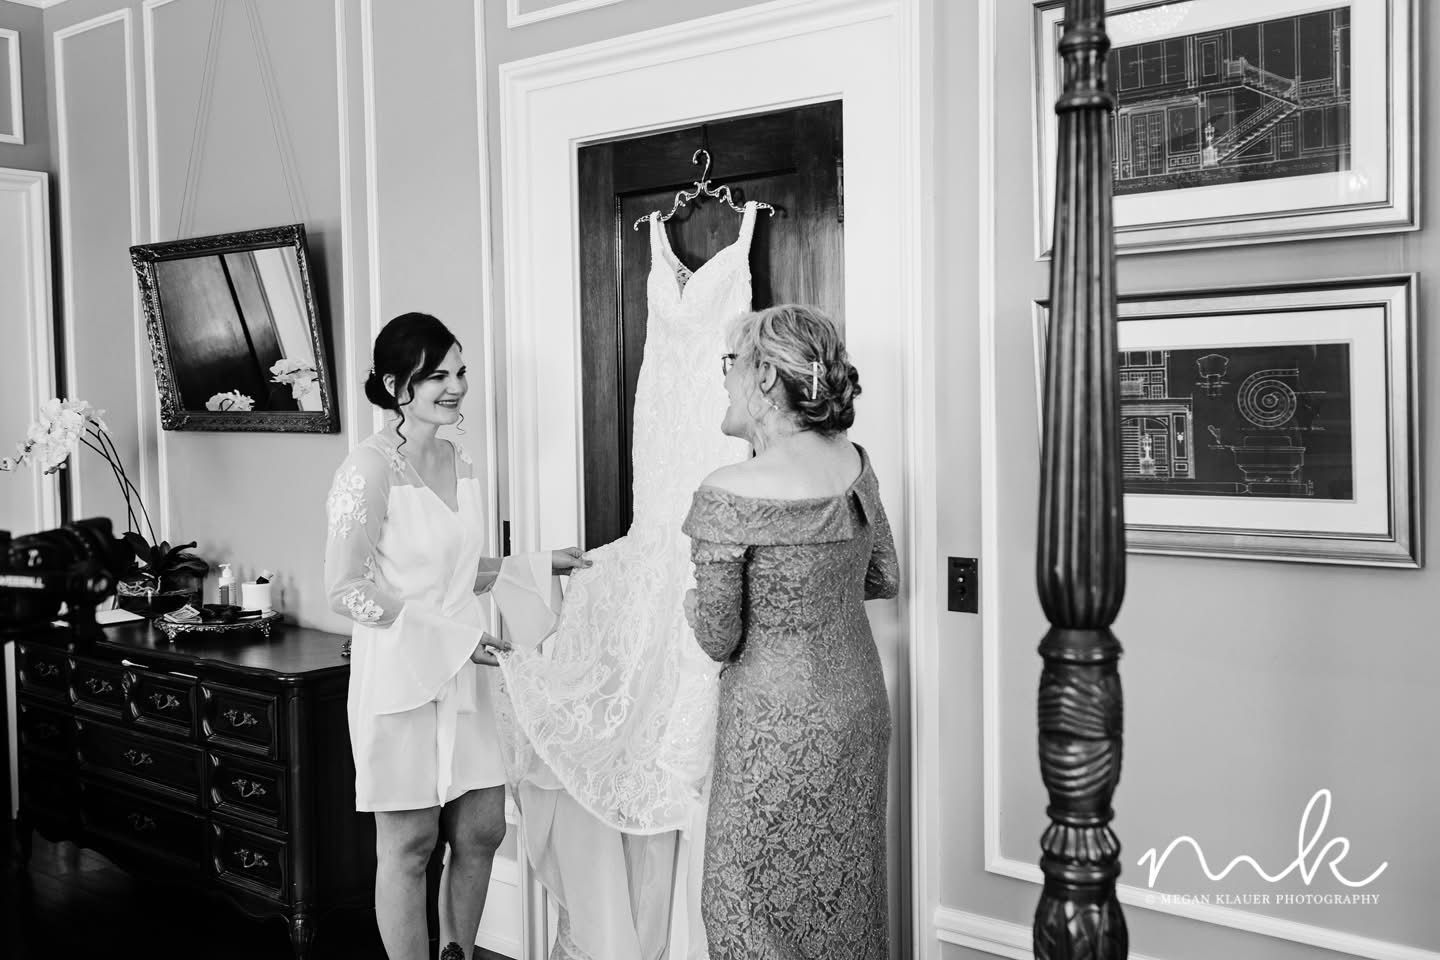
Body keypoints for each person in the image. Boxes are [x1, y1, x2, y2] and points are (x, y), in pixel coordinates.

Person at [324, 312, 588, 960]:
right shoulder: (367, 469)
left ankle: (458, 954)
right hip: (402, 676)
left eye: (460, 371)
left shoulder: (461, 460)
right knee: (410, 846)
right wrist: (447, 641)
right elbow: (345, 588)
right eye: (436, 374)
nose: (455, 386)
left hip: (467, 671)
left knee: (482, 829)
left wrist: (534, 563)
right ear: (395, 385)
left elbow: (458, 572)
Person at [681, 304, 900, 959]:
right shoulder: (854, 464)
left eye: (733, 364)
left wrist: (692, 604)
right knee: (844, 902)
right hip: (858, 712)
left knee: (744, 905)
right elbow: (883, 575)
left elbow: (718, 637)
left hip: (775, 731)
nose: (725, 379)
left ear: (767, 381)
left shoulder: (730, 490)